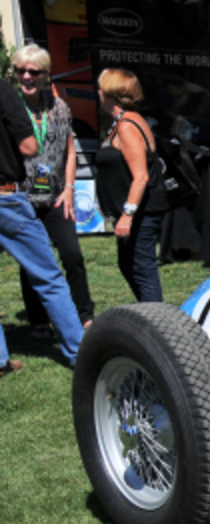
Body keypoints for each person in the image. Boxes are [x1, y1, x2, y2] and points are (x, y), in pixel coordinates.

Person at [0, 58, 83, 376]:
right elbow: (29, 146)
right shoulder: (4, 93)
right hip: (6, 197)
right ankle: (79, 352)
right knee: (49, 278)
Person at [12, 45, 93, 335]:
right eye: (20, 71)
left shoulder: (60, 108)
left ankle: (85, 315)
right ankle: (38, 321)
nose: (26, 76)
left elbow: (70, 152)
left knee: (72, 254)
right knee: (31, 259)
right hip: (22, 196)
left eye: (33, 71)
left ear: (46, 75)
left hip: (58, 194)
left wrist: (70, 188)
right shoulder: (10, 107)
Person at [95, 68, 167, 304]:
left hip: (142, 212)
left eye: (101, 88)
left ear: (111, 93)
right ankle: (150, 316)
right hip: (133, 211)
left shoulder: (127, 126)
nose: (97, 93)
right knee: (129, 265)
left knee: (142, 268)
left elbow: (141, 177)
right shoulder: (122, 122)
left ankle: (158, 325)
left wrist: (128, 214)